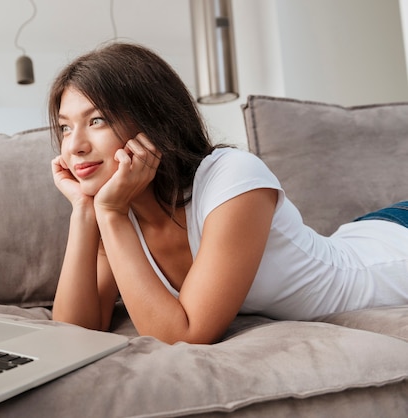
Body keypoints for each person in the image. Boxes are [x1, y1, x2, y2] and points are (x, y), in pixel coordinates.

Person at [47, 42, 408, 345]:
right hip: (364, 233)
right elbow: (73, 332)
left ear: (152, 121)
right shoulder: (119, 210)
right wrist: (84, 211)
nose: (74, 146)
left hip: (393, 251)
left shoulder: (232, 177)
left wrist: (109, 214)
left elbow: (183, 336)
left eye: (97, 120)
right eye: (65, 127)